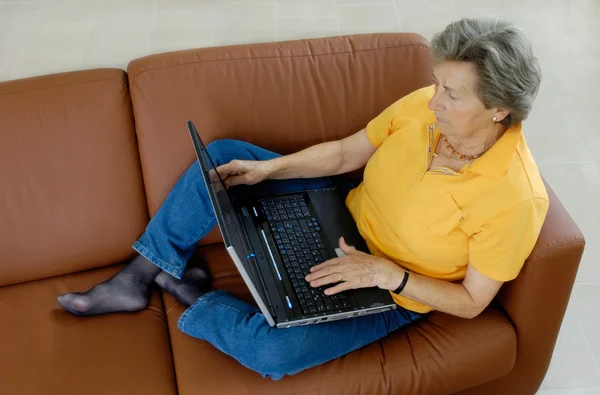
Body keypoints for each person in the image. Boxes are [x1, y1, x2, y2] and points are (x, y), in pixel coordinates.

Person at [57, 17, 549, 380]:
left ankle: (194, 295)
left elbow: (470, 303)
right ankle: (138, 277)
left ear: (499, 110)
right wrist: (271, 169)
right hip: (340, 209)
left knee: (273, 356)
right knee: (226, 158)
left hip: (391, 289)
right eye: (437, 83)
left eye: (453, 95)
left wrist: (386, 274)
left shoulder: (515, 199)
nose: (434, 100)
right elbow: (344, 153)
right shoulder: (424, 106)